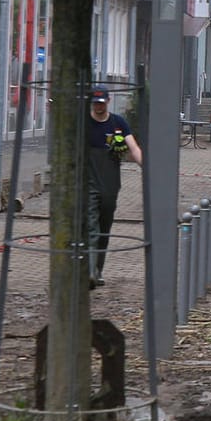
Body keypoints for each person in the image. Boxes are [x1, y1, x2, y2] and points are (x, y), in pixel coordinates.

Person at [86, 87, 142, 288]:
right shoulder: (84, 124)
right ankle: (90, 271)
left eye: (101, 103)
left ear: (108, 101)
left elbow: (133, 148)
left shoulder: (118, 123)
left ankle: (98, 270)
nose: (98, 106)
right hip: (89, 182)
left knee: (104, 229)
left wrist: (146, 166)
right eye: (95, 103)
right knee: (90, 226)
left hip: (110, 185)